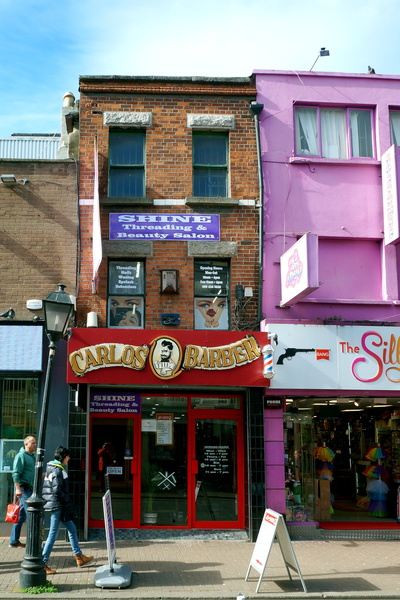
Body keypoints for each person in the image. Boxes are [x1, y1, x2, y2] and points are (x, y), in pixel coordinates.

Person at [42, 446, 93, 575]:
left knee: (72, 529)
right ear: (63, 457)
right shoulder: (58, 470)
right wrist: (67, 500)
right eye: (67, 456)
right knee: (52, 535)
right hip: (58, 506)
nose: (69, 458)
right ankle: (43, 562)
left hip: (57, 505)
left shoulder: (51, 467)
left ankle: (79, 556)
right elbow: (57, 490)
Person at [9, 435, 36, 548]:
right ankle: (33, 543)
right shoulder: (21, 456)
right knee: (32, 514)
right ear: (26, 444)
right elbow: (16, 473)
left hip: (29, 488)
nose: (35, 445)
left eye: (35, 443)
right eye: (33, 443)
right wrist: (18, 488)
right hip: (24, 489)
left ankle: (13, 540)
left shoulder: (32, 456)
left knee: (21, 516)